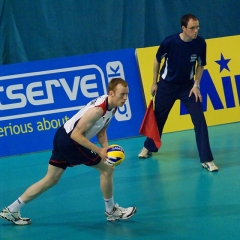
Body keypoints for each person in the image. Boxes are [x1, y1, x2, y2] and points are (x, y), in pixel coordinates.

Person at [0, 78, 137, 225]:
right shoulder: (97, 110)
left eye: (127, 94)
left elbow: (101, 131)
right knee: (107, 171)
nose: (125, 98)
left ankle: (12, 209)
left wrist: (106, 149)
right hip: (72, 142)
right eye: (122, 94)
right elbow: (76, 135)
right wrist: (98, 150)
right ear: (111, 93)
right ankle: (111, 212)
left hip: (62, 136)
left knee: (51, 179)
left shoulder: (113, 107)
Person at [138, 14, 218, 172]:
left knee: (199, 120)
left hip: (187, 88)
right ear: (183, 28)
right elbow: (157, 60)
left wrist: (196, 85)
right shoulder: (170, 42)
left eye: (197, 27)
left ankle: (207, 159)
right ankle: (149, 147)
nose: (196, 31)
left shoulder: (200, 43)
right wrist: (154, 82)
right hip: (166, 86)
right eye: (192, 28)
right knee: (159, 119)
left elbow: (201, 65)